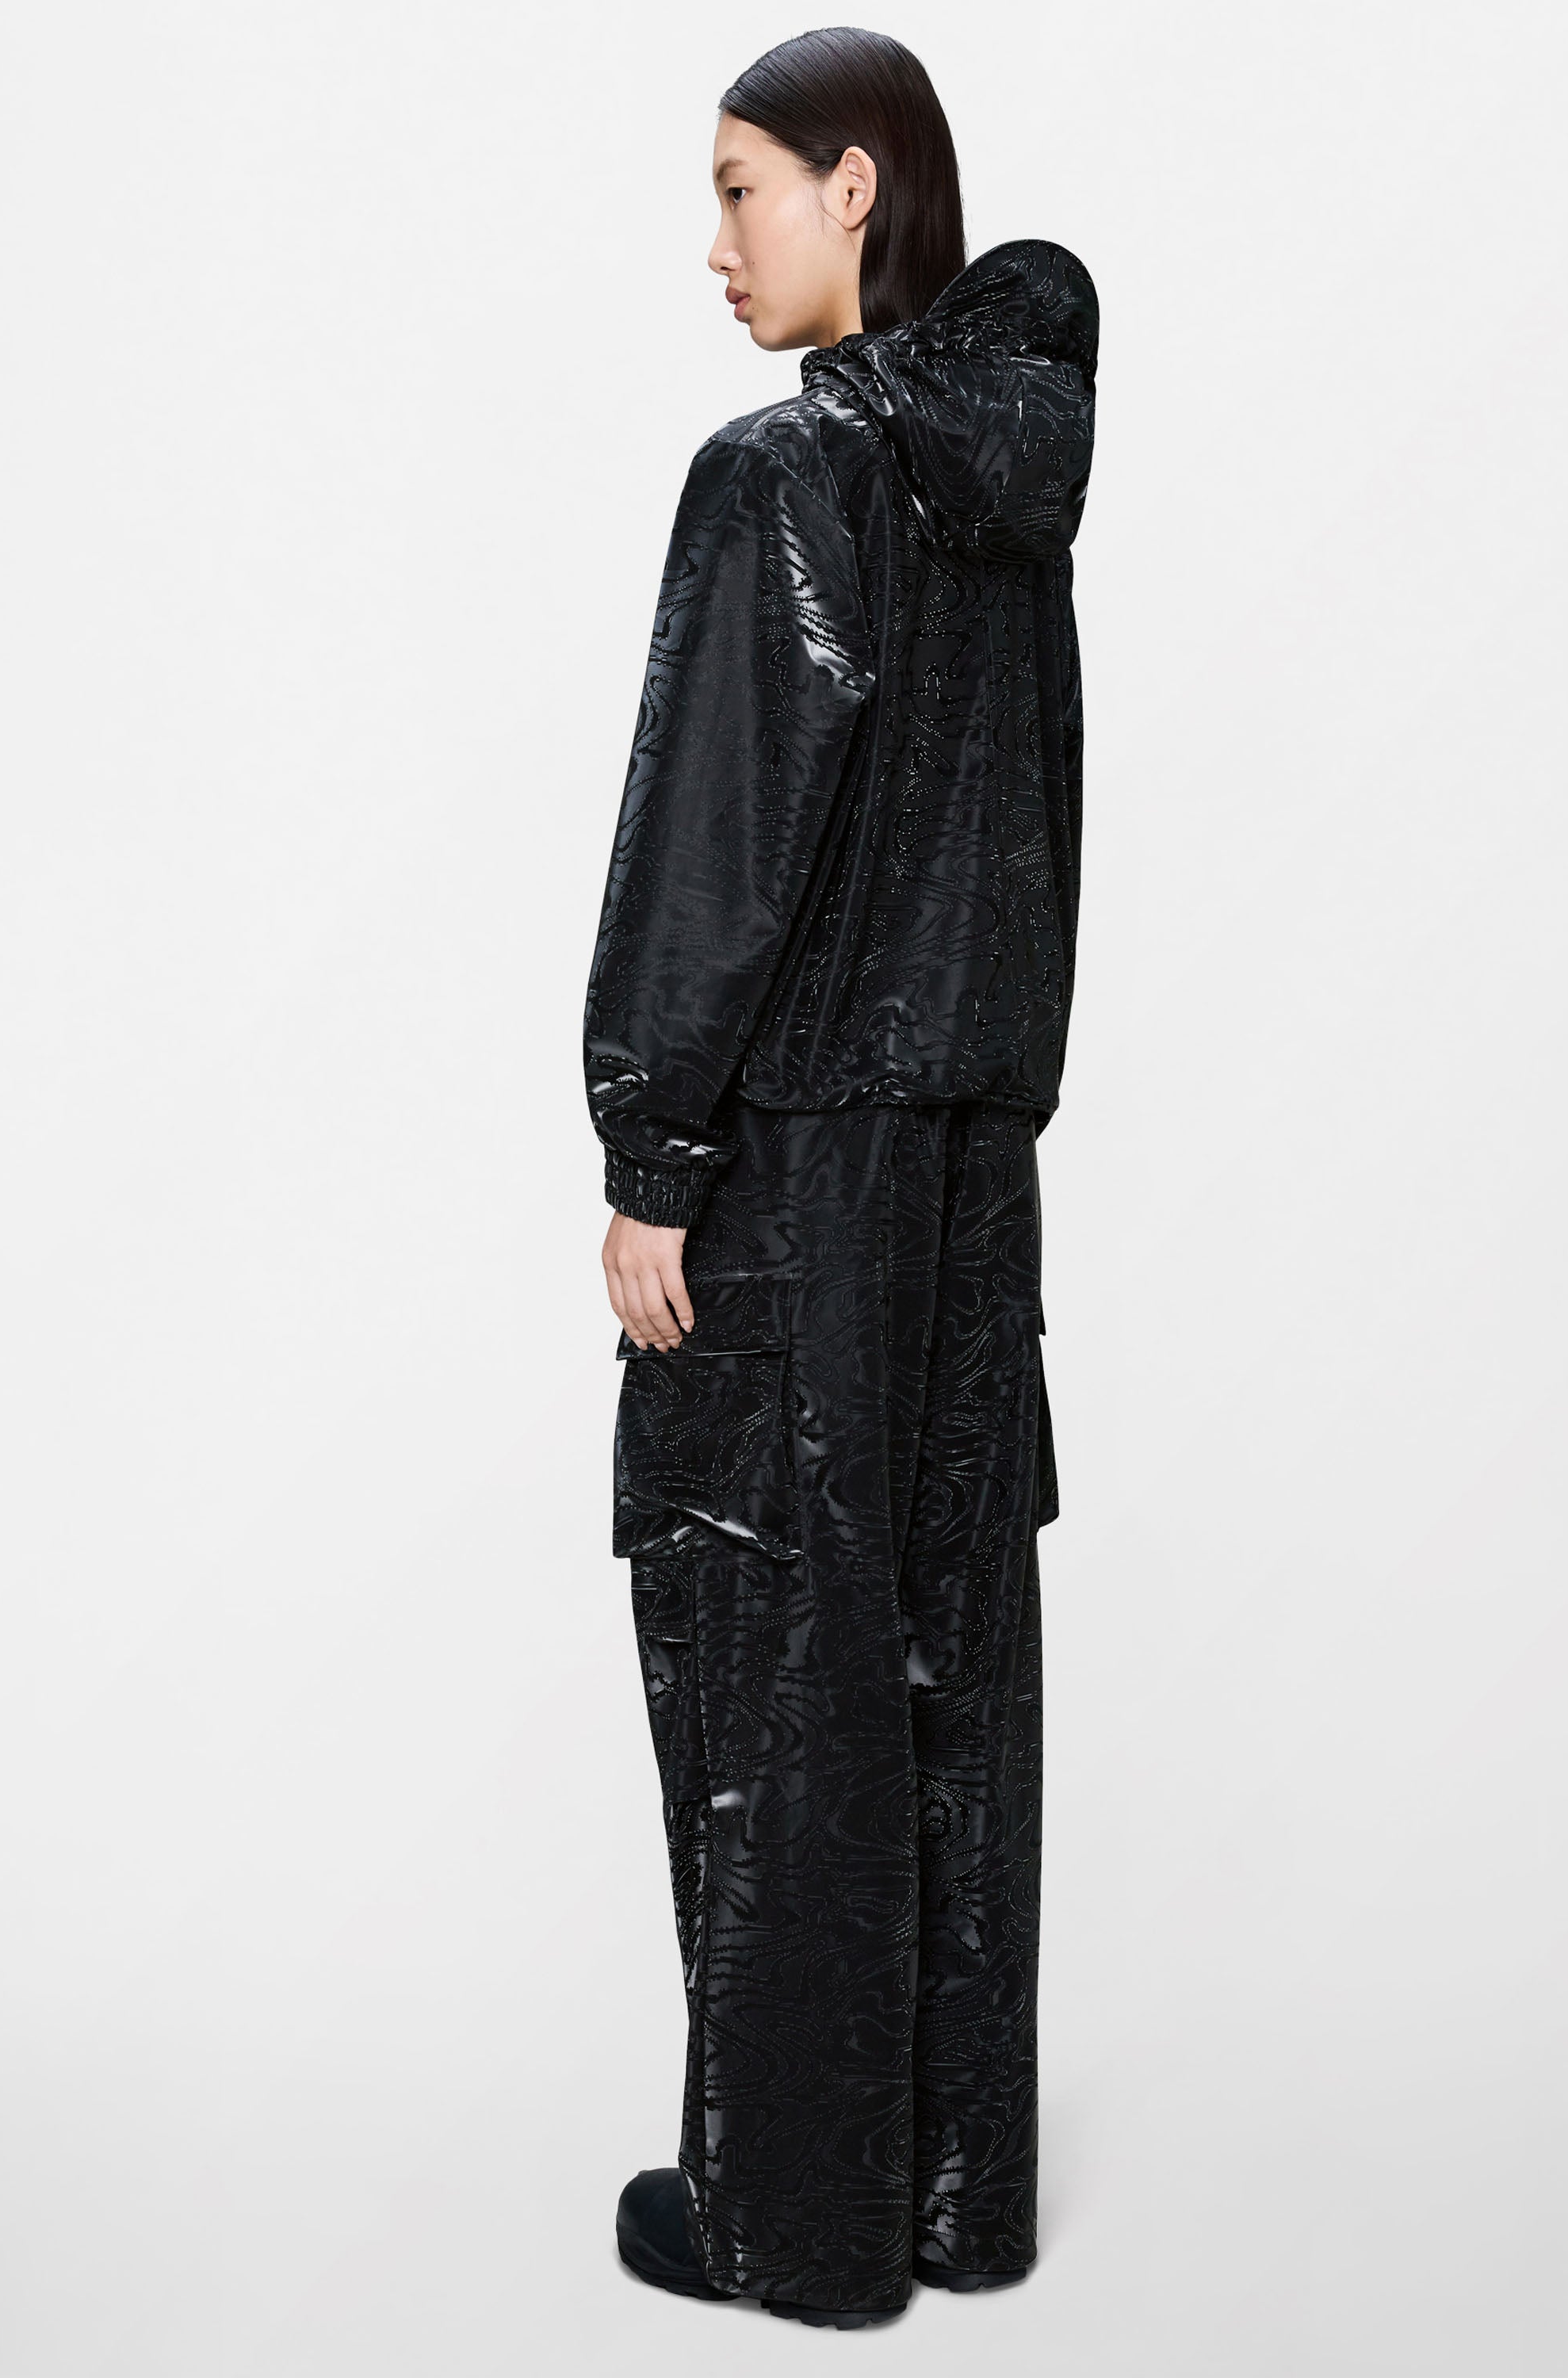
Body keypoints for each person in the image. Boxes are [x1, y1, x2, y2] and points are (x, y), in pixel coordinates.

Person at [582, 25, 1097, 2331]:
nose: (717, 244)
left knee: (777, 1667)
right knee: (948, 1659)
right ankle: (956, 2196)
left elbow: (718, 849)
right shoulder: (1011, 498)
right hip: (976, 1178)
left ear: (856, 187)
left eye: (742, 189)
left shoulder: (783, 472)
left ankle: (790, 2221)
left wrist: (654, 1149)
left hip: (796, 1172)